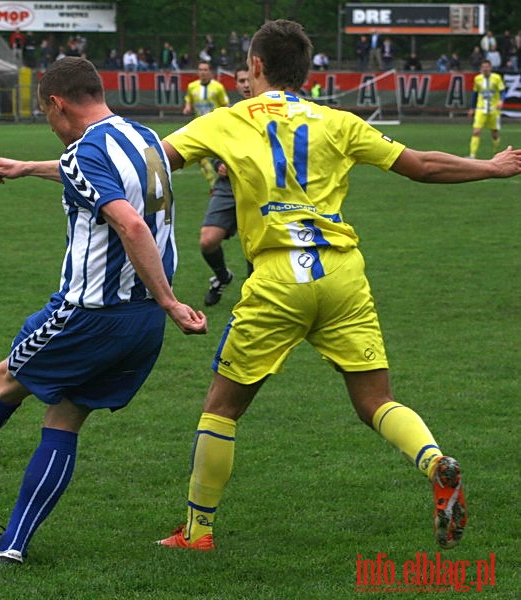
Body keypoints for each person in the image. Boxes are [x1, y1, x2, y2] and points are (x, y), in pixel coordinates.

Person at [155, 18, 521, 554]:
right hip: (342, 274)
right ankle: (435, 462)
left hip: (279, 277)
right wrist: (489, 167)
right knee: (376, 400)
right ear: (305, 71)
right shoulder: (337, 120)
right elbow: (420, 165)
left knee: (222, 408)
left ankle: (197, 533)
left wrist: (44, 167)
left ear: (254, 66)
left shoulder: (228, 119)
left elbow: (143, 164)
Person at [0, 57, 207, 565]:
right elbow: (98, 176)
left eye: (47, 113)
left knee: (5, 380)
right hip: (142, 322)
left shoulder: (85, 150)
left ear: (57, 104)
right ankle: (13, 545)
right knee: (66, 417)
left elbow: (130, 224)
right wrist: (26, 168)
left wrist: (173, 301)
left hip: (90, 312)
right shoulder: (146, 137)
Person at [199, 65, 251, 307]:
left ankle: (256, 292)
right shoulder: (228, 116)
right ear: (237, 85)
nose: (246, 85)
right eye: (241, 80)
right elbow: (214, 146)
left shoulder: (275, 113)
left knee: (255, 244)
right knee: (208, 240)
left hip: (258, 186)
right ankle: (222, 277)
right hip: (228, 186)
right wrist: (219, 162)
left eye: (250, 79)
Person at [183, 60, 230, 189]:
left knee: (219, 156)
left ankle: (223, 180)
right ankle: (212, 184)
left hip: (216, 126)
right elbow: (189, 99)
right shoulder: (192, 86)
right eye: (200, 70)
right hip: (200, 126)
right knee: (200, 157)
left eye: (205, 70)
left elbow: (225, 104)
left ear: (210, 72)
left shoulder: (218, 87)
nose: (203, 72)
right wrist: (187, 107)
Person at [467, 59, 506, 159]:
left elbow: (502, 91)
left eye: (487, 67)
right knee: (476, 131)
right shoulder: (477, 79)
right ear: (481, 68)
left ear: (490, 67)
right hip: (481, 109)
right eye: (483, 67)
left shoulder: (496, 78)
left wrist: (501, 101)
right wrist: (472, 108)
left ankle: (496, 153)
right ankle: (472, 155)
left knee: (494, 133)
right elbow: (475, 94)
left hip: (493, 110)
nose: (485, 69)